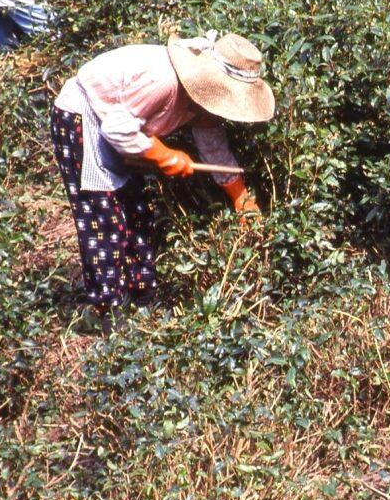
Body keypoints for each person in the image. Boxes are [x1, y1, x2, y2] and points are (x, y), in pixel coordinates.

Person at [50, 32, 275, 330]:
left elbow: (213, 146)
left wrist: (240, 197)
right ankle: (110, 315)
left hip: (124, 130)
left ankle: (143, 299)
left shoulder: (205, 97)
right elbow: (117, 128)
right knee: (105, 219)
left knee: (139, 213)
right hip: (85, 116)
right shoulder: (164, 82)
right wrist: (164, 154)